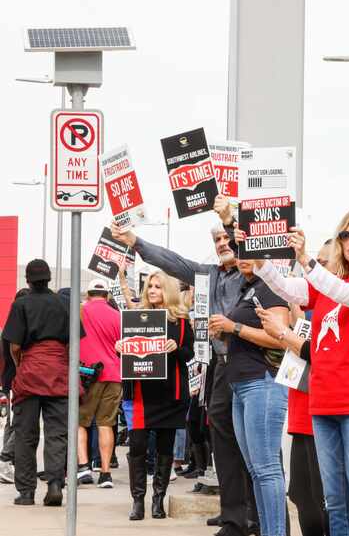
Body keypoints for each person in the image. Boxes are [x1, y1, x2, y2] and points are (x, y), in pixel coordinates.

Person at [111, 195, 260, 536]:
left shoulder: (251, 274)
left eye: (228, 240)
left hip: (251, 366)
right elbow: (172, 261)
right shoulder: (208, 274)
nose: (223, 244)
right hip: (222, 368)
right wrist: (136, 243)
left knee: (252, 445)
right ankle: (233, 516)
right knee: (222, 441)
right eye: (218, 241)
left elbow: (249, 245)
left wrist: (228, 221)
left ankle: (259, 514)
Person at [246, 208, 349, 536]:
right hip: (324, 401)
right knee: (334, 499)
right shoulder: (331, 286)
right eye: (346, 235)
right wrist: (259, 260)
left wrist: (306, 260)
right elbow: (287, 289)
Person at [258, 240, 349, 536]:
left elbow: (320, 353)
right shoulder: (308, 301)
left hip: (326, 415)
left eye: (323, 262)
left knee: (329, 502)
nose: (315, 267)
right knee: (302, 496)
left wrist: (286, 334)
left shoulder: (341, 306)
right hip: (302, 411)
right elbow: (281, 286)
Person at [207, 259, 291, 536]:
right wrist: (226, 331)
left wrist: (235, 328)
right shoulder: (248, 289)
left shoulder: (273, 287)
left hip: (262, 383)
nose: (241, 257)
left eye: (248, 251)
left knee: (266, 470)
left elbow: (282, 338)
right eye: (238, 251)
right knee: (256, 471)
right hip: (241, 386)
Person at [116, 270, 194, 521]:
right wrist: (120, 348)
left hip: (170, 394)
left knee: (164, 448)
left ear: (167, 290)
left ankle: (158, 500)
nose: (152, 290)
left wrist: (177, 348)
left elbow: (190, 353)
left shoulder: (181, 321)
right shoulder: (137, 317)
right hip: (140, 393)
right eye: (150, 286)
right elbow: (129, 353)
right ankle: (137, 500)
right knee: (137, 446)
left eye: (158, 286)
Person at [1, 260, 71, 507]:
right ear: (49, 278)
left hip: (30, 371)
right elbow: (73, 343)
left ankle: (27, 492)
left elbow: (15, 345)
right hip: (59, 373)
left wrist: (22, 366)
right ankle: (54, 483)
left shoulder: (21, 304)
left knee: (25, 435)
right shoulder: (64, 304)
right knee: (56, 433)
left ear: (28, 281)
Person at [77, 278, 122, 489]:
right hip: (114, 375)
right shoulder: (118, 316)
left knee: (80, 422)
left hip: (87, 375)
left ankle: (84, 466)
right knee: (106, 424)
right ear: (107, 296)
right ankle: (105, 473)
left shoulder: (80, 311)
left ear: (88, 294)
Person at [0, 288, 30, 485]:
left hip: (9, 380)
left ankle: (9, 463)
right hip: (16, 380)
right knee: (19, 421)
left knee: (13, 421)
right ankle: (6, 459)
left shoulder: (9, 326)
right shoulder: (18, 328)